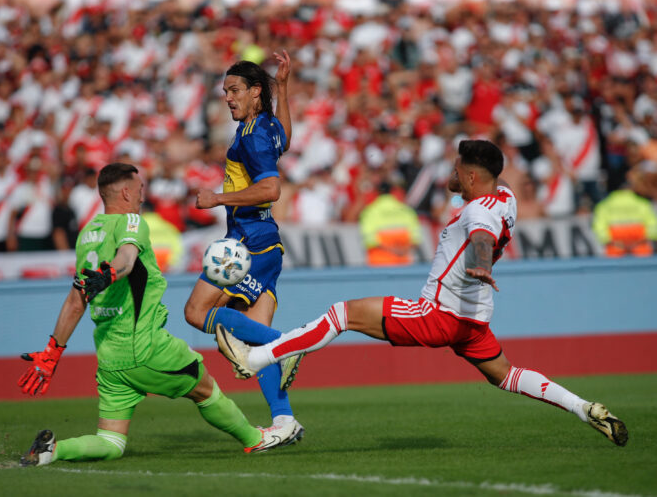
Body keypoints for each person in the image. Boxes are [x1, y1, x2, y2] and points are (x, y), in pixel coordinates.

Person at [215, 140, 629, 448]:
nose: (450, 173)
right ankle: (583, 407)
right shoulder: (506, 198)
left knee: (342, 314)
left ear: (470, 176)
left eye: (456, 167)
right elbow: (490, 212)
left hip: (440, 314)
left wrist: (481, 263)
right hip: (475, 320)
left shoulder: (479, 210)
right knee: (506, 375)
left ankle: (258, 358)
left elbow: (482, 235)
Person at [18, 163, 298, 467]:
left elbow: (76, 299)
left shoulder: (88, 234)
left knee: (110, 442)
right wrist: (113, 272)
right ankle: (256, 439)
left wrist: (52, 352)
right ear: (126, 192)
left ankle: (53, 451)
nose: (142, 196)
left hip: (110, 357)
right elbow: (126, 258)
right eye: (139, 190)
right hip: (146, 346)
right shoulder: (133, 223)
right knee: (205, 389)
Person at [183, 51, 304, 442]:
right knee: (251, 342)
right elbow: (286, 135)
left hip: (247, 242)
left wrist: (217, 199)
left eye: (234, 90)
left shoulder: (251, 137)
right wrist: (282, 87)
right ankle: (284, 421)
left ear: (255, 92)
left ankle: (287, 344)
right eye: (224, 91)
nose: (227, 98)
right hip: (268, 244)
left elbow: (272, 188)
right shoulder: (264, 125)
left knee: (197, 311)